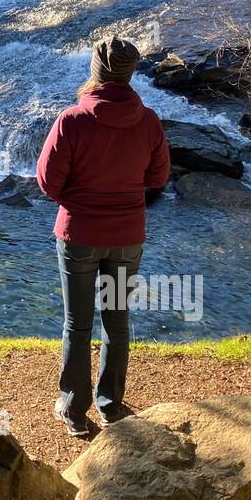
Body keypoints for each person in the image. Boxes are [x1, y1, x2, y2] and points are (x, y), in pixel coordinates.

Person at [36, 36, 169, 437]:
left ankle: (75, 410)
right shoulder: (148, 121)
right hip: (127, 237)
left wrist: (77, 201)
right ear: (129, 75)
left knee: (77, 324)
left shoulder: (72, 120)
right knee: (117, 321)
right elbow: (159, 178)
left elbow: (47, 181)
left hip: (78, 235)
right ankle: (110, 404)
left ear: (95, 73)